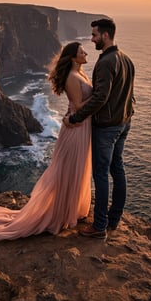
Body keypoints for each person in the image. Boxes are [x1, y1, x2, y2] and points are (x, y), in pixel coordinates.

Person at [0, 42, 93, 244]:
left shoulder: (80, 73)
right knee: (69, 168)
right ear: (73, 57)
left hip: (81, 126)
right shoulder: (72, 78)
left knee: (78, 168)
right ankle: (62, 213)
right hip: (76, 128)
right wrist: (102, 98)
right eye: (82, 51)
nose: (86, 53)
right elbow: (79, 105)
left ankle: (71, 208)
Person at [64, 18, 135, 239]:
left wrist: (76, 117)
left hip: (107, 127)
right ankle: (113, 219)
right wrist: (128, 114)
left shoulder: (106, 62)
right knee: (118, 170)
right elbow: (130, 94)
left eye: (94, 35)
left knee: (101, 174)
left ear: (105, 35)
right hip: (123, 123)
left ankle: (100, 226)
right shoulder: (126, 59)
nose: (92, 38)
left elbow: (100, 98)